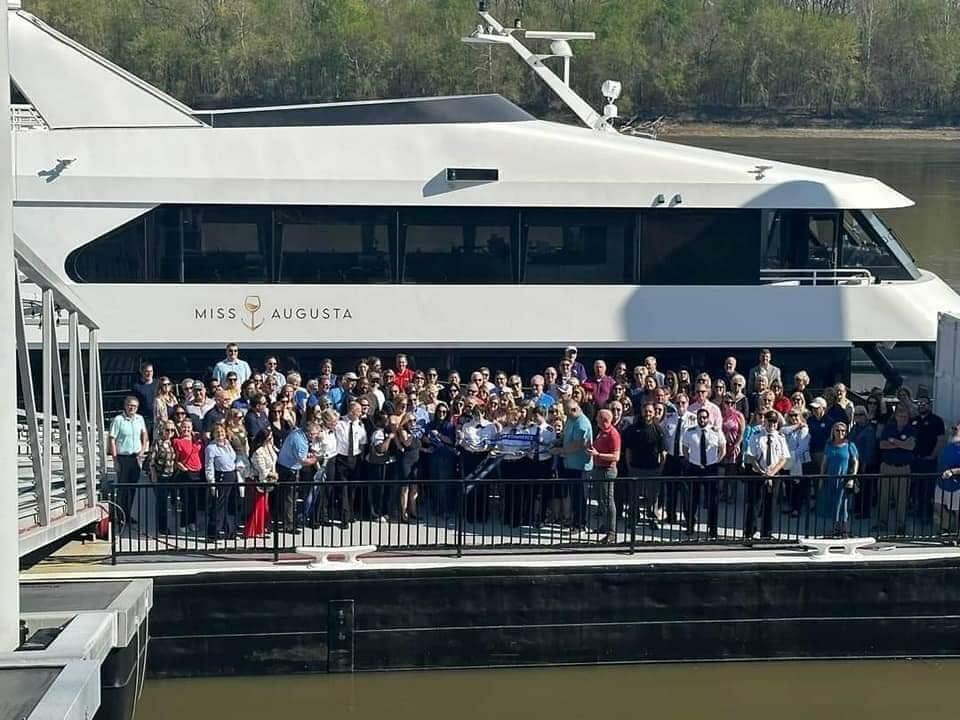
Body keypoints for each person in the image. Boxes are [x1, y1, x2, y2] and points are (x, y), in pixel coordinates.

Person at [744, 411, 790, 542]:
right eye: (770, 421)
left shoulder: (780, 437)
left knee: (771, 504)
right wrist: (762, 471)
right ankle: (749, 532)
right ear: (765, 421)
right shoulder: (757, 436)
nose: (772, 424)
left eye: (774, 422)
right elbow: (751, 457)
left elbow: (783, 458)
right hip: (758, 473)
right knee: (754, 503)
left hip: (774, 475)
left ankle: (767, 533)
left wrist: (772, 472)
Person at [681, 408, 726, 538]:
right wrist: (690, 460)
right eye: (700, 417)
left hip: (711, 468)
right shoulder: (690, 432)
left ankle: (712, 529)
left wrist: (715, 461)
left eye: (705, 417)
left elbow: (722, 449)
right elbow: (685, 448)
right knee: (692, 500)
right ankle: (690, 526)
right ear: (697, 418)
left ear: (708, 418)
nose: (702, 420)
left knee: (713, 500)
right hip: (694, 468)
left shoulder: (716, 432)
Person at [109, 396, 149, 526]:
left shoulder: (140, 419)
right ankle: (120, 516)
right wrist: (115, 460)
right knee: (122, 489)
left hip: (135, 457)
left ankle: (127, 514)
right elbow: (112, 440)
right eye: (129, 405)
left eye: (134, 406)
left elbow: (144, 434)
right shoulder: (118, 420)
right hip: (123, 458)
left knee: (132, 488)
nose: (131, 408)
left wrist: (142, 450)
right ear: (125, 405)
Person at [553, 400, 593, 531]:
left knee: (580, 497)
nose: (566, 415)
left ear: (575, 409)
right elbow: (566, 436)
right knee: (574, 496)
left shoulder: (582, 423)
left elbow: (578, 445)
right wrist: (558, 441)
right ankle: (575, 521)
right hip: (570, 464)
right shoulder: (571, 420)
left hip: (580, 466)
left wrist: (561, 450)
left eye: (567, 412)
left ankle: (580, 525)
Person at [624, 403, 666, 526]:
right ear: (642, 412)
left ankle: (652, 518)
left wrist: (660, 468)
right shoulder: (633, 429)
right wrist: (629, 466)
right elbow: (628, 449)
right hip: (636, 467)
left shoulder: (658, 430)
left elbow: (663, 452)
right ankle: (633, 517)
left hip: (652, 468)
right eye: (645, 411)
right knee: (634, 495)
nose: (647, 414)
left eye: (650, 411)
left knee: (653, 496)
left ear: (654, 413)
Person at [816, 422, 859, 537]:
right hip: (830, 478)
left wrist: (852, 478)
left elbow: (855, 462)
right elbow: (824, 463)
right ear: (833, 432)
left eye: (843, 431)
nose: (840, 433)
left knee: (843, 504)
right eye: (837, 430)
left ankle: (845, 529)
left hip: (844, 479)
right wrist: (821, 477)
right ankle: (835, 528)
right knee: (832, 503)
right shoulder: (829, 445)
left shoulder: (850, 445)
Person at [878, 404, 916, 535]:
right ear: (896, 416)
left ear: (908, 417)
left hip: (903, 468)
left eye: (905, 416)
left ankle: (901, 525)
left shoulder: (911, 429)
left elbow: (911, 446)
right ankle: (882, 523)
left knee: (902, 499)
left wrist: (893, 441)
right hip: (887, 467)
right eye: (900, 416)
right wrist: (901, 444)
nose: (902, 418)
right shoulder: (889, 427)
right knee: (884, 496)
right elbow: (882, 445)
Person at [276, 421, 321, 531]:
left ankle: (288, 519)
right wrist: (316, 459)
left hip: (286, 466)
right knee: (289, 497)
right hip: (288, 470)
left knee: (290, 496)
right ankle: (289, 525)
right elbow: (303, 461)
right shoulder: (300, 442)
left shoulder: (298, 433)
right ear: (310, 433)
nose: (317, 436)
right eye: (316, 434)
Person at [588, 409, 621, 544]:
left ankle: (611, 532)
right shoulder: (601, 432)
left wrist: (598, 455)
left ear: (604, 419)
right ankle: (605, 525)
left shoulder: (613, 434)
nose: (596, 419)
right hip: (598, 468)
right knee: (600, 499)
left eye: (598, 417)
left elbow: (616, 456)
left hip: (607, 470)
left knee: (608, 500)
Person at [912, 396, 946, 525]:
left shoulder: (936, 420)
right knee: (917, 488)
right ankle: (918, 511)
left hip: (929, 461)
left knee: (928, 489)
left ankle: (927, 515)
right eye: (919, 403)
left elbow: (941, 440)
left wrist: (932, 455)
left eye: (924, 403)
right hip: (915, 460)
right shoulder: (914, 420)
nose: (921, 405)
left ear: (929, 405)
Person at [333, 401, 368, 525]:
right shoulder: (340, 423)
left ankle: (351, 513)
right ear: (352, 411)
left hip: (355, 458)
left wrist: (359, 455)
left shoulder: (360, 425)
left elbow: (363, 442)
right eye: (359, 411)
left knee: (352, 488)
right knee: (343, 488)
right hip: (342, 458)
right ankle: (344, 517)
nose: (361, 413)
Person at [205, 423, 239, 540]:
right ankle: (213, 533)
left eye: (222, 431)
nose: (220, 434)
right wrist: (212, 483)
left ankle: (230, 531)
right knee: (219, 506)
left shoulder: (228, 444)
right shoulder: (211, 448)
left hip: (232, 476)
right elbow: (209, 466)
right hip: (221, 477)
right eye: (218, 432)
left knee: (230, 505)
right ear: (214, 434)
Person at [172, 419, 203, 532]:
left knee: (195, 500)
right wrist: (182, 467)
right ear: (180, 428)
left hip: (197, 471)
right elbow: (176, 458)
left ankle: (192, 522)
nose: (186, 429)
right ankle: (183, 523)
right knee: (186, 500)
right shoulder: (177, 441)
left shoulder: (196, 439)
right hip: (186, 472)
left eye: (188, 427)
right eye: (184, 427)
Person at [246, 428, 277, 538]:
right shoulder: (258, 452)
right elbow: (262, 470)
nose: (271, 440)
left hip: (268, 481)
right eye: (269, 438)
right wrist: (272, 474)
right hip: (259, 481)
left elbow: (274, 459)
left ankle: (263, 528)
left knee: (265, 506)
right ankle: (255, 530)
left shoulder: (269, 448)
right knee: (259, 506)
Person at [149, 421, 178, 535]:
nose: (169, 432)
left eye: (172, 430)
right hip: (160, 476)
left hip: (171, 476)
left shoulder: (172, 443)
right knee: (162, 503)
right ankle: (162, 527)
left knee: (171, 502)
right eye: (167, 430)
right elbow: (151, 460)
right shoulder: (157, 443)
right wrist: (153, 475)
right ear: (162, 430)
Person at [782, 409, 811, 518]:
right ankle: (791, 506)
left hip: (800, 461)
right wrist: (796, 426)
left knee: (798, 486)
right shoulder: (786, 428)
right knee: (788, 485)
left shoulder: (804, 429)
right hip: (787, 460)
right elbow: (783, 432)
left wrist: (793, 457)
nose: (793, 417)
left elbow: (802, 446)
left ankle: (797, 508)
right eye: (791, 415)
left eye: (796, 415)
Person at [934, 424, 960, 538]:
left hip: (957, 485)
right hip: (942, 482)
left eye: (956, 429)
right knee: (937, 505)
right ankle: (946, 527)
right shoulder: (948, 444)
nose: (953, 430)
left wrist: (953, 471)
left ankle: (957, 535)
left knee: (958, 511)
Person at [132, 363, 158, 439]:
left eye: (151, 371)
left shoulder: (158, 384)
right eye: (147, 371)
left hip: (157, 417)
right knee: (145, 441)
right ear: (141, 372)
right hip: (144, 419)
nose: (149, 373)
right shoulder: (136, 387)